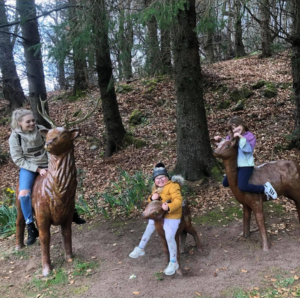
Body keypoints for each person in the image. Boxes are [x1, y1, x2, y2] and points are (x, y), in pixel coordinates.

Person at [9, 109, 86, 246]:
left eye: (33, 120)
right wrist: (37, 169)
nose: (32, 123)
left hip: (48, 164)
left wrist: (52, 165)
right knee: (24, 193)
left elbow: (53, 145)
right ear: (19, 123)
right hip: (29, 167)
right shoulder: (15, 138)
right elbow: (18, 159)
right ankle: (30, 224)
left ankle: (72, 211)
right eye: (28, 122)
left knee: (67, 182)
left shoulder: (41, 130)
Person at [129, 163, 183, 276]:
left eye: (162, 177)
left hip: (171, 215)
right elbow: (153, 205)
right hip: (159, 216)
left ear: (167, 177)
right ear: (154, 180)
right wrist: (151, 198)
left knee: (169, 236)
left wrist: (169, 206)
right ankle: (140, 248)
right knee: (149, 227)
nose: (160, 180)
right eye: (157, 178)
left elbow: (178, 200)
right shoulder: (156, 189)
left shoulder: (173, 186)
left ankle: (174, 262)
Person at [214, 116, 277, 200]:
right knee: (225, 183)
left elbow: (247, 149)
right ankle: (244, 196)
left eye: (237, 126)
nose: (235, 129)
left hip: (246, 165)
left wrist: (241, 137)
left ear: (242, 124)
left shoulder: (249, 136)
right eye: (233, 128)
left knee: (243, 186)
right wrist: (220, 139)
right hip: (235, 166)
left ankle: (265, 188)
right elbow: (228, 145)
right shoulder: (231, 136)